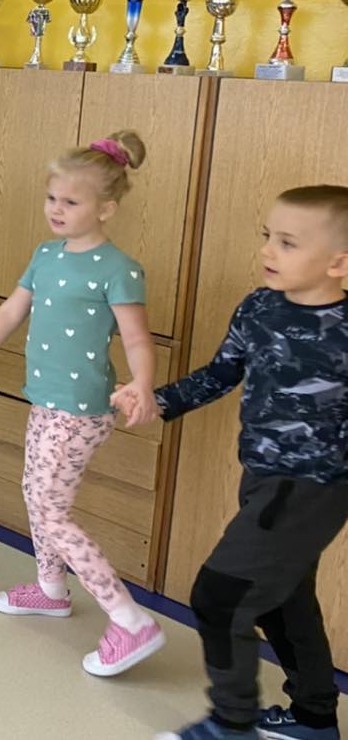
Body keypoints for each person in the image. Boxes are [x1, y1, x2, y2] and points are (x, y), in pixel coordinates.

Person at [0, 131, 165, 678]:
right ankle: (50, 588)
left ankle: (130, 620)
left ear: (106, 209)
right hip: (44, 401)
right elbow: (8, 314)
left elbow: (137, 338)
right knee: (34, 494)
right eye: (51, 198)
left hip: (80, 410)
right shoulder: (45, 256)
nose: (56, 209)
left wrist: (142, 383)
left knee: (50, 510)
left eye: (71, 201)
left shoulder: (118, 268)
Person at [143, 185, 348, 740]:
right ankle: (313, 718)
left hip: (312, 487)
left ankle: (231, 725)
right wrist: (157, 402)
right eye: (267, 236)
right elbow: (221, 373)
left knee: (221, 595)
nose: (268, 250)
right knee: (283, 599)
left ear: (338, 263)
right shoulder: (258, 307)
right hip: (261, 476)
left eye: (288, 242)